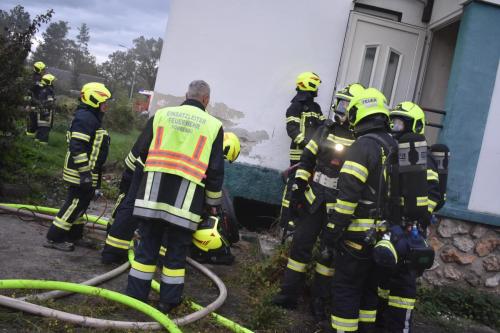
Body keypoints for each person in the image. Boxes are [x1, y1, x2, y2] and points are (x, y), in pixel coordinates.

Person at [125, 80, 225, 313]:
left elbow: (140, 150)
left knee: (147, 245)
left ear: (186, 95)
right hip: (186, 202)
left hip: (152, 195)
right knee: (177, 252)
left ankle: (135, 297)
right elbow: (216, 170)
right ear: (206, 100)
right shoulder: (213, 126)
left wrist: (130, 185)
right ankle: (168, 302)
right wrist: (212, 204)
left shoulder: (162, 115)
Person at [272, 84, 363, 322]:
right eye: (340, 103)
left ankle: (318, 302)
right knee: (300, 245)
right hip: (315, 200)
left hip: (337, 207)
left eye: (346, 105)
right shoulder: (324, 129)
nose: (341, 109)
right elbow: (307, 160)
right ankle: (288, 294)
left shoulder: (360, 140)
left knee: (327, 256)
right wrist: (298, 191)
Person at [101, 131, 241, 265]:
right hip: (148, 171)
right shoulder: (206, 148)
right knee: (140, 211)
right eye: (223, 158)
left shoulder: (196, 137)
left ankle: (116, 250)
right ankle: (118, 249)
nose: (221, 162)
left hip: (150, 169)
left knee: (141, 211)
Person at [321, 88, 397, 333]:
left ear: (359, 113)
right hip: (385, 237)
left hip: (357, 236)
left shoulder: (362, 146)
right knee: (369, 293)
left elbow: (348, 196)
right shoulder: (394, 146)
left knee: (346, 289)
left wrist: (333, 231)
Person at [375, 101, 442, 333]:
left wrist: (417, 218)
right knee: (383, 280)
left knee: (403, 286)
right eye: (393, 121)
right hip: (391, 226)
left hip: (409, 230)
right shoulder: (395, 151)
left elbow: (433, 194)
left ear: (415, 125)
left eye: (401, 122)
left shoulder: (423, 156)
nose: (395, 126)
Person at [44, 82, 112, 251]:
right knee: (74, 204)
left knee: (81, 205)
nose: (106, 106)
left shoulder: (91, 117)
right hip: (80, 172)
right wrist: (85, 174)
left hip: (87, 172)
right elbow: (77, 147)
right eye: (104, 102)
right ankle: (54, 237)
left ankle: (74, 236)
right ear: (94, 100)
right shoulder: (86, 118)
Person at [281, 71, 325, 236]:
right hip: (298, 155)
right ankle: (286, 221)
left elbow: (322, 127)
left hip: (312, 156)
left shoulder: (316, 107)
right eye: (316, 84)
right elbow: (292, 129)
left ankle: (299, 219)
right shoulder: (295, 107)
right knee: (293, 186)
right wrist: (308, 144)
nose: (318, 88)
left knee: (306, 187)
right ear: (309, 84)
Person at [35, 73, 56, 144]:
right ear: (49, 81)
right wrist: (47, 113)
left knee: (40, 129)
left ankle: (36, 143)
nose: (53, 82)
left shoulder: (42, 89)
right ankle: (42, 145)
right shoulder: (49, 90)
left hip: (41, 111)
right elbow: (50, 103)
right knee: (45, 129)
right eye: (52, 81)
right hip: (46, 112)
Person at [26, 61, 46, 137]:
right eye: (43, 69)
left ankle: (30, 134)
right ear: (40, 70)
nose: (44, 71)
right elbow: (33, 90)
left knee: (32, 118)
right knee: (33, 118)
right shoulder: (37, 79)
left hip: (33, 101)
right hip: (34, 101)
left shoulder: (33, 77)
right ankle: (30, 134)